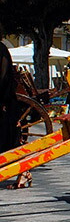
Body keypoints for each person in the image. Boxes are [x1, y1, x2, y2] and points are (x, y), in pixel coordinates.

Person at [0, 44, 31, 189]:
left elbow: (2, 78)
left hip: (4, 104)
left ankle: (23, 171)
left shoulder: (1, 50)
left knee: (7, 142)